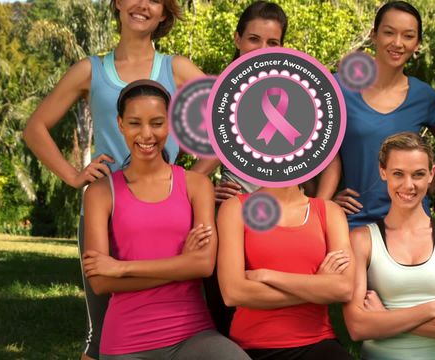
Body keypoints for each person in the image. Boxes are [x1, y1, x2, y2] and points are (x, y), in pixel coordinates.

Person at [22, 1, 205, 358]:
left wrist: (192, 181)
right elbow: (35, 128)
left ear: (165, 13)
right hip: (107, 213)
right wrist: (75, 176)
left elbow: (226, 122)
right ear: (118, 3)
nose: (142, 5)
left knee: (176, 317)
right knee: (100, 333)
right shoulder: (89, 70)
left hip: (169, 216)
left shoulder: (178, 68)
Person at [81, 80, 249, 359]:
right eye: (135, 123)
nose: (146, 134)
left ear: (169, 124)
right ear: (120, 124)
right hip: (126, 342)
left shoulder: (197, 185)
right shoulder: (100, 193)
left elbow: (204, 264)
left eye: (156, 123)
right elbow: (100, 282)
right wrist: (182, 264)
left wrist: (122, 269)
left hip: (193, 335)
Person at [316, 1, 435, 228]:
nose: (398, 43)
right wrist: (325, 201)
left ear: (417, 43)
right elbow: (308, 151)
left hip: (412, 225)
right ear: (374, 35)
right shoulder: (337, 88)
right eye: (389, 33)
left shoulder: (425, 97)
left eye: (408, 36)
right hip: (354, 223)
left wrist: (430, 187)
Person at [343, 132, 435, 360]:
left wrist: (384, 317)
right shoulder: (362, 239)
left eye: (418, 174)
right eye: (398, 174)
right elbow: (357, 327)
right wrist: (431, 309)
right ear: (383, 171)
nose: (409, 185)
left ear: (431, 174)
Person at [216, 181, 355, 359]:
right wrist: (315, 285)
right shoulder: (235, 208)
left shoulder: (329, 211)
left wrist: (267, 275)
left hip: (318, 344)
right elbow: (233, 293)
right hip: (253, 346)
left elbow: (344, 289)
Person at [193, 0, 290, 203]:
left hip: (286, 213)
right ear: (238, 39)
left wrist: (326, 202)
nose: (262, 49)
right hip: (236, 212)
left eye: (272, 43)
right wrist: (204, 191)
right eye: (254, 39)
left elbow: (310, 169)